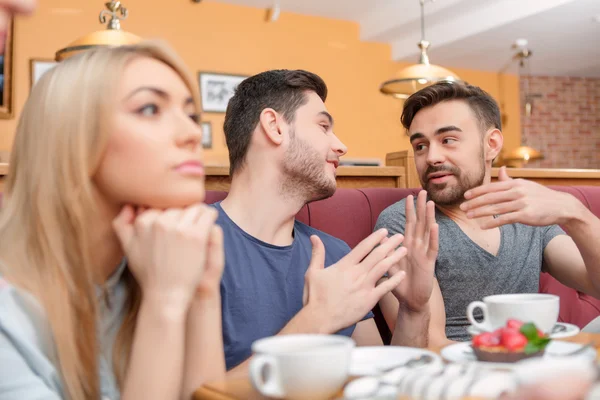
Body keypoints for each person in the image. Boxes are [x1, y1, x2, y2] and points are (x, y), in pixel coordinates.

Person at [0, 40, 225, 399]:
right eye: (150, 108)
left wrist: (203, 294)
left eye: (191, 114)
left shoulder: (155, 265)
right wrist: (164, 303)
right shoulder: (8, 316)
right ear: (70, 137)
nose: (193, 133)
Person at [216, 69, 439, 375]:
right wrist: (316, 319)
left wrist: (414, 310)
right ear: (274, 126)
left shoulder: (336, 254)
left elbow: (379, 380)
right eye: (323, 126)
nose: (341, 146)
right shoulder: (189, 242)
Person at [375, 81, 600, 346]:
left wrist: (574, 213)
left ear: (491, 144)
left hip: (535, 358)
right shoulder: (405, 223)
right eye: (420, 146)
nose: (431, 157)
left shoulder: (524, 212)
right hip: (461, 373)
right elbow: (432, 345)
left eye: (448, 140)